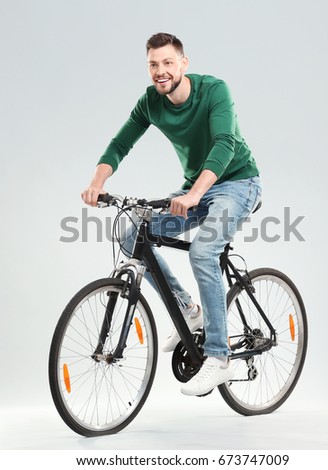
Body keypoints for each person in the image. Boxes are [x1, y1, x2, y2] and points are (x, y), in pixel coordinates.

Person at [82, 32, 262, 397]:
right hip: (194, 188)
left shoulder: (214, 91)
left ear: (183, 63)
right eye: (153, 65)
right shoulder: (151, 101)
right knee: (132, 232)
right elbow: (120, 144)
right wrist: (96, 183)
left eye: (167, 63)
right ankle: (188, 309)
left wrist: (195, 194)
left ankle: (219, 355)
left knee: (203, 252)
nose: (160, 71)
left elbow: (225, 143)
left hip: (238, 184)